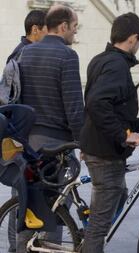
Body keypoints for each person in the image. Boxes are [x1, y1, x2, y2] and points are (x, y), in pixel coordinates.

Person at [80, 12, 139, 252]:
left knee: (118, 195)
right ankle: (90, 241)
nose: (138, 45)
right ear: (132, 39)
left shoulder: (101, 59)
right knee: (99, 226)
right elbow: (97, 104)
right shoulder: (117, 65)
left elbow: (115, 106)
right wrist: (124, 135)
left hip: (100, 147)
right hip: (105, 152)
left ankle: (88, 232)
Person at [16, 5, 84, 253]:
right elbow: (74, 106)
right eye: (75, 28)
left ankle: (24, 248)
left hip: (30, 141)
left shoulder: (27, 53)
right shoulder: (67, 56)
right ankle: (51, 249)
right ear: (63, 26)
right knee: (57, 203)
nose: (75, 34)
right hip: (57, 144)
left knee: (32, 202)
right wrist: (82, 141)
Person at [5, 9, 48, 253]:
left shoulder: (20, 53)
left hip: (23, 135)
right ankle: (16, 248)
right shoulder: (23, 55)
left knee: (23, 193)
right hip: (23, 137)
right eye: (46, 30)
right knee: (20, 195)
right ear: (35, 30)